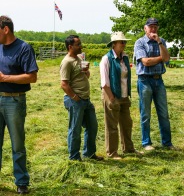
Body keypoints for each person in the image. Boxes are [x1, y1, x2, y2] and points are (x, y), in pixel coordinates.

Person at [0, 15, 38, 194]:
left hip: (14, 100)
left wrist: (5, 78)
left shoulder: (23, 48)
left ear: (5, 29)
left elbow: (32, 77)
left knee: (17, 144)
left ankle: (22, 182)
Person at [134, 18, 176, 151]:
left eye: (155, 27)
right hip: (144, 81)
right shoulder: (140, 42)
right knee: (145, 113)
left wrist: (159, 43)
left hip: (159, 80)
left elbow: (167, 58)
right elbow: (145, 62)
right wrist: (161, 59)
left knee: (163, 113)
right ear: (145, 28)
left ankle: (167, 143)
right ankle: (146, 142)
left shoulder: (161, 41)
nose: (153, 29)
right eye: (150, 27)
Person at [60, 35, 103, 161]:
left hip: (86, 100)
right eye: (78, 44)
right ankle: (74, 157)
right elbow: (64, 84)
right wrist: (74, 97)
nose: (81, 46)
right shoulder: (67, 62)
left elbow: (84, 77)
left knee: (92, 126)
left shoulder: (79, 58)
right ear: (70, 47)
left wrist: (86, 71)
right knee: (75, 129)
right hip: (75, 100)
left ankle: (89, 153)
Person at [100, 32, 142, 160]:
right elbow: (104, 83)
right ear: (114, 44)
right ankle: (112, 152)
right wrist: (112, 99)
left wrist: (126, 96)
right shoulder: (106, 59)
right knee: (112, 125)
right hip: (111, 94)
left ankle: (128, 148)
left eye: (124, 42)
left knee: (127, 123)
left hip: (124, 95)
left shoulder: (125, 57)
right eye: (121, 42)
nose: (124, 44)